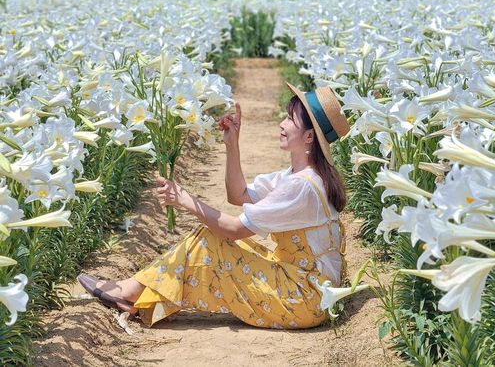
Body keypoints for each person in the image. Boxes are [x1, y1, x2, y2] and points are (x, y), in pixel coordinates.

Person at [78, 82, 350, 329]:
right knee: (208, 236)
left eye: (290, 119)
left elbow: (233, 229)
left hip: (303, 300)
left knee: (211, 238)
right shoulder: (298, 176)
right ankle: (138, 294)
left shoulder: (302, 185)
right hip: (305, 288)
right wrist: (233, 144)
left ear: (309, 137)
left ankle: (130, 291)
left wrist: (185, 199)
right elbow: (238, 195)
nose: (281, 123)